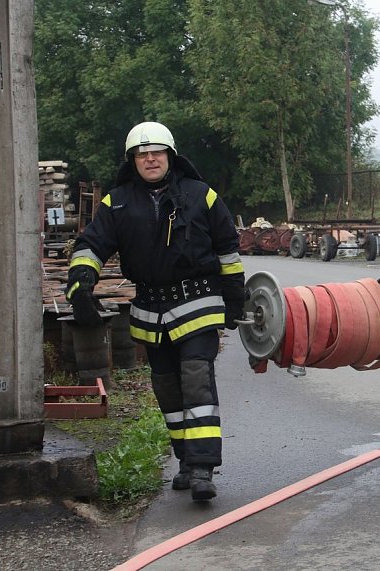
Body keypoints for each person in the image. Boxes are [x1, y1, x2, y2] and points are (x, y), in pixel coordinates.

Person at [65, 121, 245, 502]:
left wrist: (234, 299)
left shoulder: (202, 196)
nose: (150, 158)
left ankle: (202, 467)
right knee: (166, 386)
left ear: (170, 156)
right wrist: (82, 282)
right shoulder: (117, 202)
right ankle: (184, 458)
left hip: (197, 303)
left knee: (196, 377)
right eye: (142, 154)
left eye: (157, 152)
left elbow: (228, 249)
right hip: (150, 310)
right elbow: (92, 244)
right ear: (133, 161)